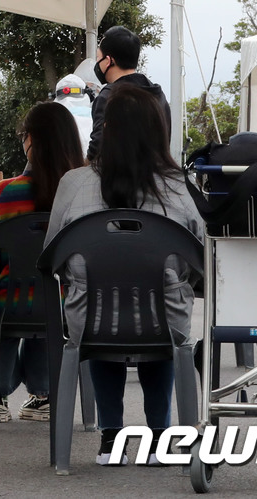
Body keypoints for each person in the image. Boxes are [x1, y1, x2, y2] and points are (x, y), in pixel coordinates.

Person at [46, 84, 205, 466]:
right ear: (158, 130)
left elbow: (50, 257)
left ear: (106, 129)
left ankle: (111, 437)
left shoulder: (73, 184)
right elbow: (206, 257)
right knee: (164, 304)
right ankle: (158, 438)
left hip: (91, 324)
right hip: (165, 324)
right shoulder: (183, 187)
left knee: (101, 304)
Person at [0, 101, 85, 424]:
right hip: (68, 304)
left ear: (31, 141)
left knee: (7, 300)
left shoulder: (4, 193)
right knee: (48, 303)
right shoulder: (84, 194)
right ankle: (44, 394)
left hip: (9, 304)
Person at [86, 25, 168, 160]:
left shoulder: (108, 97)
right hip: (157, 177)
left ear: (108, 61)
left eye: (98, 57)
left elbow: (97, 150)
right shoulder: (158, 94)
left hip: (117, 178)